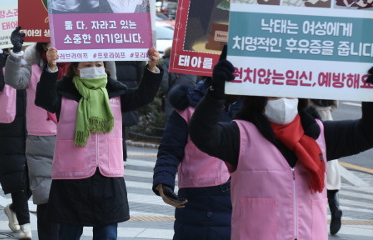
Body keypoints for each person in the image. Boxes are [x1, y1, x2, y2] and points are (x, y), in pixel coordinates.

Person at [189, 46, 373, 239]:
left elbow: (367, 132)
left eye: (290, 93)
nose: (284, 100)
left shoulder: (319, 134)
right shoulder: (241, 135)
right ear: (258, 98)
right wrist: (216, 93)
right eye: (275, 94)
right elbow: (202, 134)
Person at [34, 45, 162, 240]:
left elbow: (143, 96)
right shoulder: (64, 92)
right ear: (75, 69)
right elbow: (44, 99)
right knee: (68, 233)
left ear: (105, 67)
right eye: (87, 64)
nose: (94, 68)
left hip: (107, 175)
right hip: (71, 178)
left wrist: (152, 67)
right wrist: (51, 67)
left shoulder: (116, 93)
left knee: (107, 233)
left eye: (98, 64)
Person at [153, 79, 238, 240]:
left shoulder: (256, 106)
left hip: (247, 191)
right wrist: (163, 181)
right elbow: (170, 148)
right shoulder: (189, 103)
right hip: (200, 197)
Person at [4, 28, 61, 240]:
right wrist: (16, 52)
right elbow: (14, 81)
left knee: (67, 197)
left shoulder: (76, 66)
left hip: (73, 136)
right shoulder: (33, 65)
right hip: (41, 137)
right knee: (45, 196)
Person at [0, 40, 32, 239]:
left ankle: (14, 208)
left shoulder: (36, 62)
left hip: (35, 123)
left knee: (34, 175)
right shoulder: (1, 61)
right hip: (9, 124)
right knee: (16, 175)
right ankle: (25, 223)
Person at [310, 98, 343, 235]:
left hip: (311, 119)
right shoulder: (328, 87)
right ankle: (335, 206)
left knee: (316, 162)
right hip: (328, 118)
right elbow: (335, 104)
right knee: (330, 165)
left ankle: (317, 216)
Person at [160, 47, 197, 118]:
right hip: (191, 97)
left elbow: (164, 80)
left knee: (171, 121)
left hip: (173, 96)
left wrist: (167, 92)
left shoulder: (167, 61)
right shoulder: (193, 61)